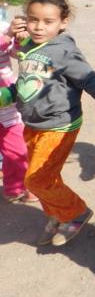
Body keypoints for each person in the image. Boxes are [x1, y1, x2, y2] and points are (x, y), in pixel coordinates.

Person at [0, 0, 95, 246]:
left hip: (58, 126)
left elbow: (92, 82)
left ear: (63, 22)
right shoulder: (28, 46)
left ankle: (76, 212)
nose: (39, 26)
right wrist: (6, 95)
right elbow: (26, 86)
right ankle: (57, 214)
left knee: (35, 179)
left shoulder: (66, 53)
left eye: (47, 21)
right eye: (33, 19)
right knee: (49, 177)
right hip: (33, 124)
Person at [0, 21, 34, 203]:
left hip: (7, 107)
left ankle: (16, 187)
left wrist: (20, 41)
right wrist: (6, 37)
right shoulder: (5, 32)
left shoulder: (4, 25)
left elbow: (15, 53)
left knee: (16, 151)